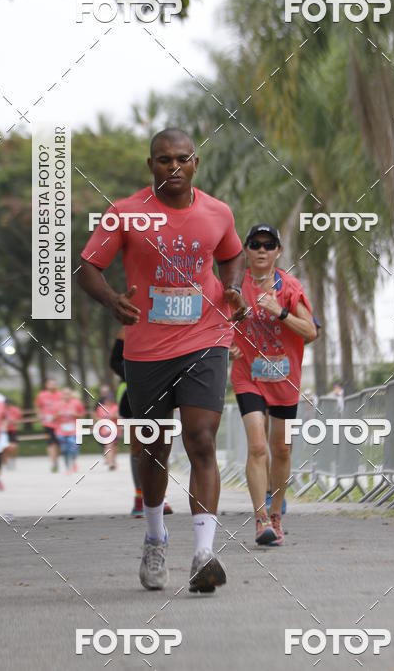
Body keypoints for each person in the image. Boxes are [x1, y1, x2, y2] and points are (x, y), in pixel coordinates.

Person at [79, 128, 246, 593]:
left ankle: (204, 553)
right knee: (154, 449)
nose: (173, 167)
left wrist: (230, 288)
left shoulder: (218, 212)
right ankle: (155, 539)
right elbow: (87, 267)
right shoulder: (125, 214)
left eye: (182, 159)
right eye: (162, 159)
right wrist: (113, 300)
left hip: (206, 337)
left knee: (201, 440)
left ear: (196, 163)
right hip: (147, 348)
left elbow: (231, 256)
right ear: (149, 165)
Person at [230, 224, 317, 546]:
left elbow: (310, 332)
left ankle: (276, 514)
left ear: (278, 251)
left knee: (281, 449)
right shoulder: (235, 287)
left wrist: (279, 312)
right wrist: (228, 346)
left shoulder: (290, 287)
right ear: (247, 250)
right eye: (255, 244)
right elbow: (217, 323)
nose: (262, 250)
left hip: (284, 378)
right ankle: (260, 519)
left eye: (269, 245)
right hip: (248, 375)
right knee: (257, 447)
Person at [110, 327, 173, 516]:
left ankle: (161, 497)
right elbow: (114, 362)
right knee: (137, 446)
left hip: (160, 388)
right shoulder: (127, 329)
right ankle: (140, 497)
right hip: (131, 391)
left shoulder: (166, 325)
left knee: (160, 444)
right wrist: (138, 374)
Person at [54, 387, 84, 473]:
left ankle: (74, 461)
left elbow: (81, 415)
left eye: (68, 394)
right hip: (60, 431)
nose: (66, 396)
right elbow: (52, 419)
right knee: (64, 450)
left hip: (73, 430)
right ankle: (68, 468)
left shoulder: (77, 403)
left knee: (74, 447)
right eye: (64, 394)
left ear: (71, 395)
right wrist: (58, 415)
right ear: (62, 395)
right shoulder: (57, 404)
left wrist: (75, 414)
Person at [35, 378, 61, 472]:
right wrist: (40, 415)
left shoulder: (60, 395)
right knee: (50, 443)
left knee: (58, 444)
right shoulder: (42, 395)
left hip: (59, 423)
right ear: (47, 385)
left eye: (54, 384)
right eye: (51, 384)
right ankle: (53, 463)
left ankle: (56, 459)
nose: (53, 386)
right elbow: (38, 407)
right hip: (47, 423)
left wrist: (57, 415)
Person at [94, 385, 119, 470]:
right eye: (108, 400)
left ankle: (113, 460)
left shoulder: (116, 407)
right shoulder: (101, 408)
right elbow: (97, 418)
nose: (109, 401)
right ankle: (110, 463)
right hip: (104, 431)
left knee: (113, 446)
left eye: (111, 399)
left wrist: (113, 416)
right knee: (108, 445)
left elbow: (119, 416)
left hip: (115, 430)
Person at [3, 399, 23, 466]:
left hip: (12, 430)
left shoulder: (15, 410)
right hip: (4, 430)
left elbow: (19, 420)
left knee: (13, 446)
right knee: (4, 447)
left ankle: (12, 460)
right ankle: (5, 461)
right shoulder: (2, 409)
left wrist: (13, 421)